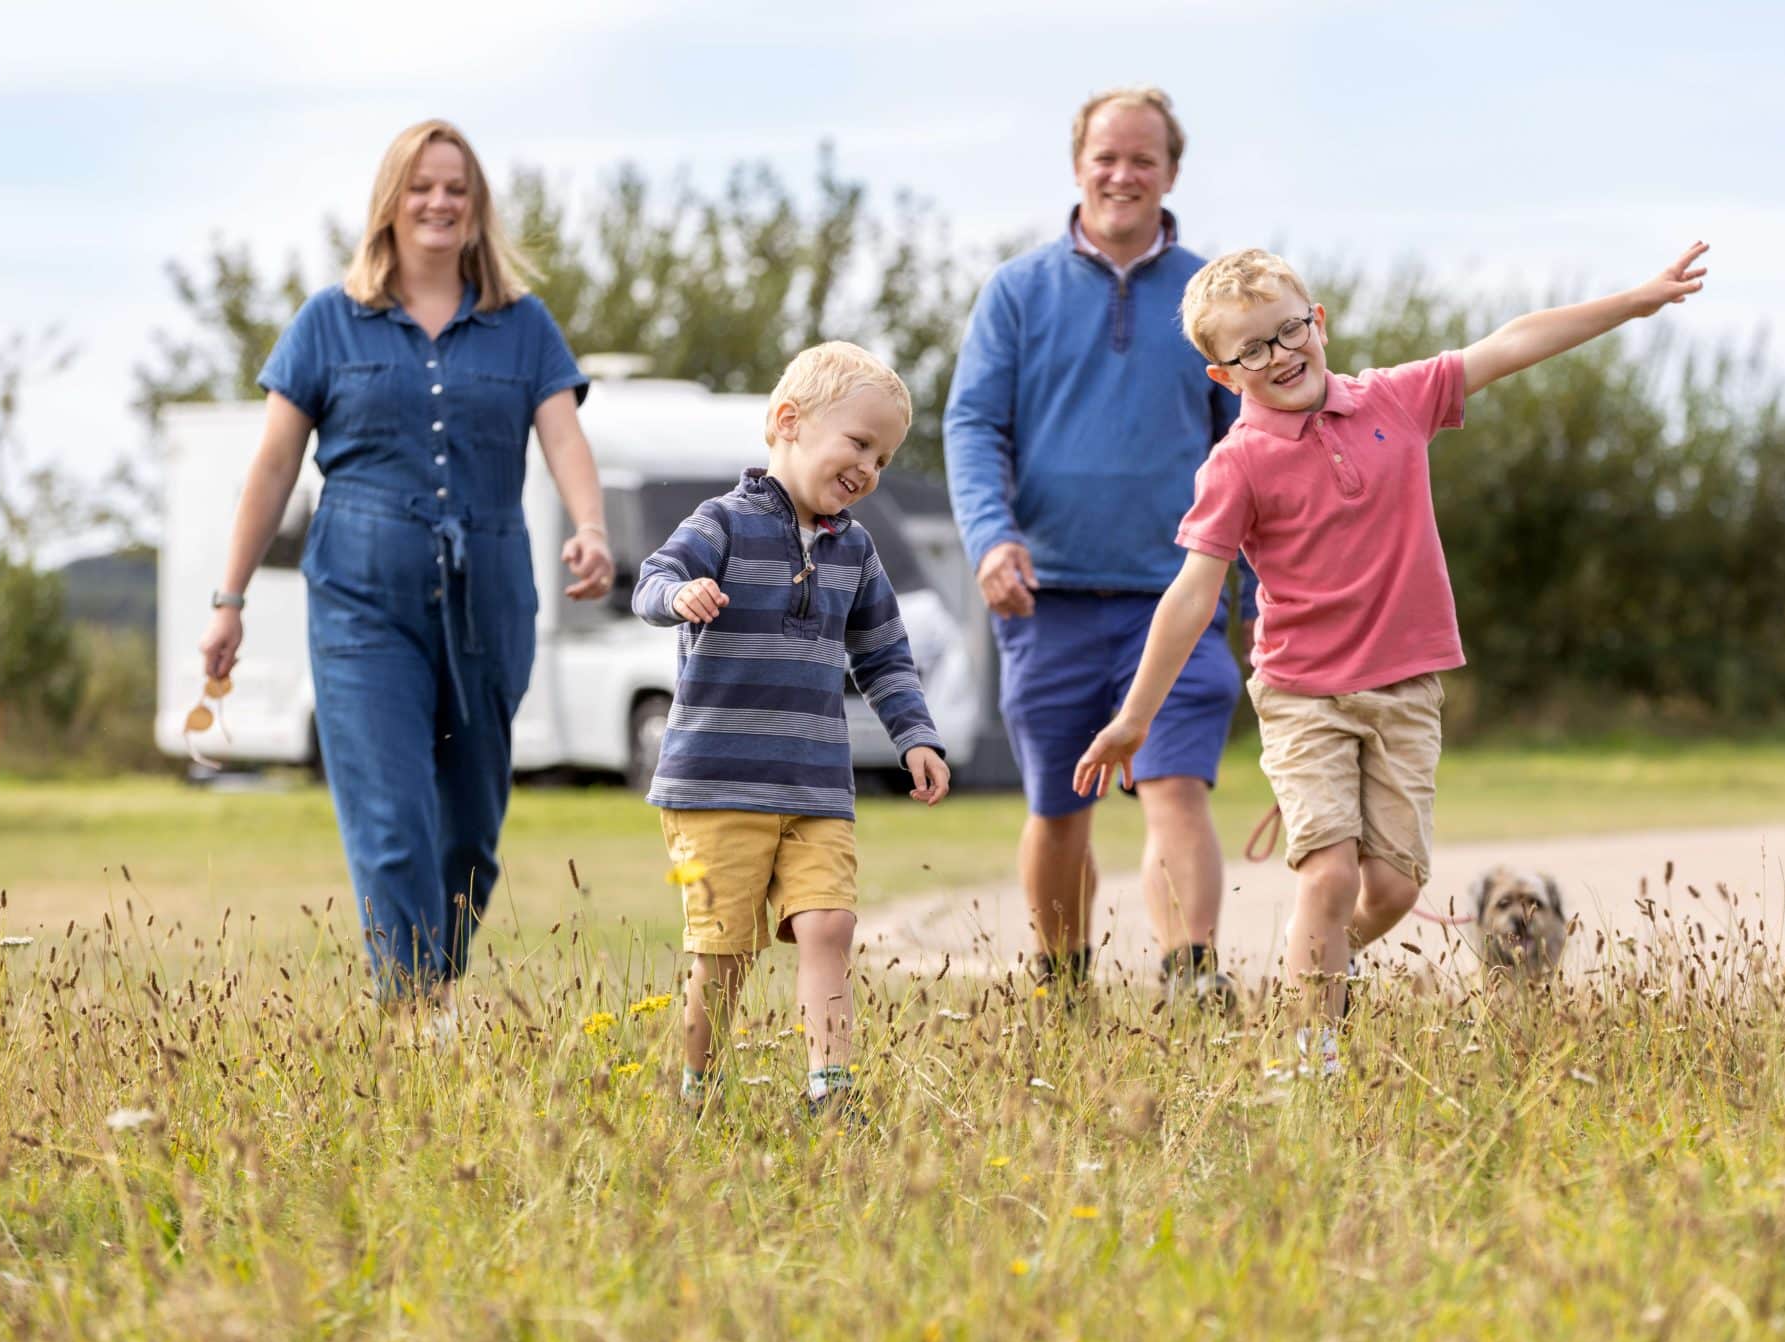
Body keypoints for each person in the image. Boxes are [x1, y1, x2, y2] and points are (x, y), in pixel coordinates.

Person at [1075, 242, 1710, 1075]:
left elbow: (1511, 342)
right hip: (1305, 697)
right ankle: (1309, 1057)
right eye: (1252, 350)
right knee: (1331, 874)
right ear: (1224, 376)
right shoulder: (1236, 463)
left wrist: (1632, 302)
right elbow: (1192, 595)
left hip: (1406, 691)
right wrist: (1134, 717)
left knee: (1396, 890)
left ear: (1319, 322)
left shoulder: (1396, 400)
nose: (1280, 355)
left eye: (1289, 329)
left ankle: (1314, 968)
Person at [198, 119, 614, 1008]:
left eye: (456, 188)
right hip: (359, 600)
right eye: (422, 186)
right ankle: (414, 1010)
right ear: (390, 202)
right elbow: (272, 466)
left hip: (489, 593)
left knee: (469, 832)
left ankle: (433, 979)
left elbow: (566, 437)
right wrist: (228, 599)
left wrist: (592, 527)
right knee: (390, 819)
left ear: (477, 206)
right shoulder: (328, 322)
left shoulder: (523, 325)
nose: (439, 202)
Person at [944, 87, 1245, 1006]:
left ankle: (1190, 977)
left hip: (1179, 595)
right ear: (1078, 165)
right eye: (1106, 157)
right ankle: (1062, 987)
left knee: (1174, 788)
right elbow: (971, 424)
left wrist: (1267, 593)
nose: (1122, 174)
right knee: (1059, 807)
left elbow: (1255, 445)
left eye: (1142, 159)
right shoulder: (1018, 292)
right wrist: (992, 541)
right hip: (1050, 599)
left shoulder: (1211, 297)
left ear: (1171, 172)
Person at [634, 341, 951, 1119]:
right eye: (859, 443)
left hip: (815, 784)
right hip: (718, 782)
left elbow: (885, 655)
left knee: (830, 923)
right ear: (789, 422)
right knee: (725, 951)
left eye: (883, 457)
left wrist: (916, 735)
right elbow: (651, 580)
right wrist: (682, 595)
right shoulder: (724, 524)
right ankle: (698, 1089)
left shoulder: (857, 551)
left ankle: (829, 1091)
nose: (870, 468)